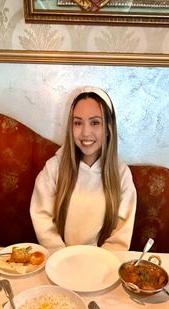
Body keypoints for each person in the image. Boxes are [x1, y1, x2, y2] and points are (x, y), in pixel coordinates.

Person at [30, 87, 137, 251]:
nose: (85, 132)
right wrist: (63, 256)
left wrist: (100, 262)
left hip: (103, 262)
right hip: (61, 259)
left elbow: (120, 235)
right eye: (78, 123)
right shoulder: (53, 169)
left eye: (95, 122)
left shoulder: (121, 174)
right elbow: (42, 217)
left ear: (108, 128)